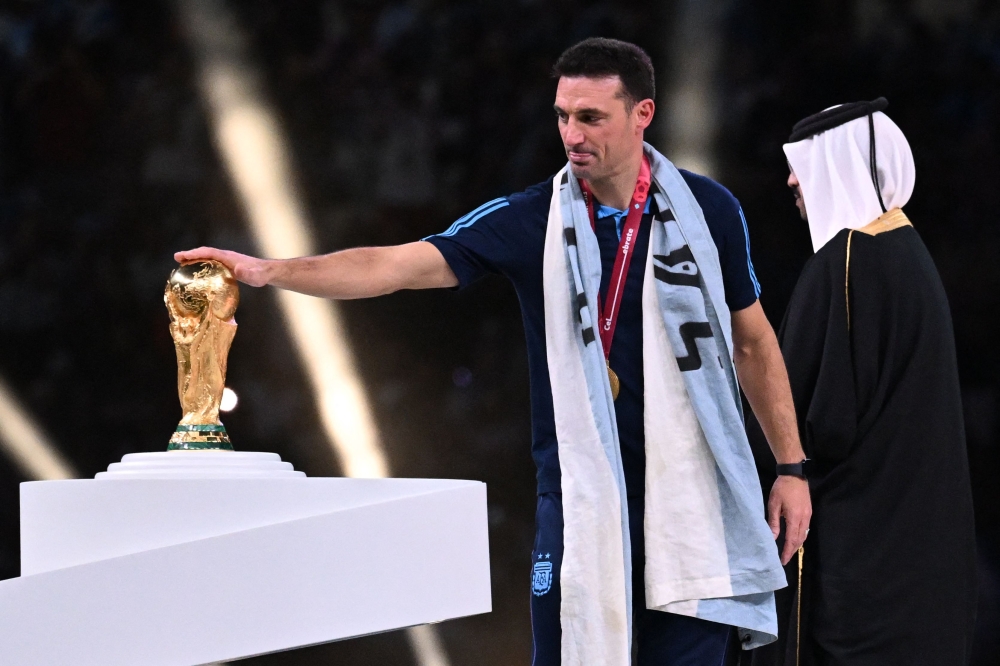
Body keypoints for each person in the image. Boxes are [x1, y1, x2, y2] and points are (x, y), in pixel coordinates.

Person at [177, 38, 811, 665]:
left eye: (591, 117)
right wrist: (272, 271)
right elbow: (395, 266)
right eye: (563, 116)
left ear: (642, 114)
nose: (572, 134)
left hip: (691, 499)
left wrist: (791, 467)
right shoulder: (531, 218)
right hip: (577, 498)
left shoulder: (709, 211)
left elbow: (752, 342)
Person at [756, 98, 977, 665]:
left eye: (801, 163)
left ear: (837, 162)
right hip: (918, 569)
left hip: (861, 570)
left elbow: (807, 418)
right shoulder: (909, 253)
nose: (790, 180)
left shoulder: (848, 260)